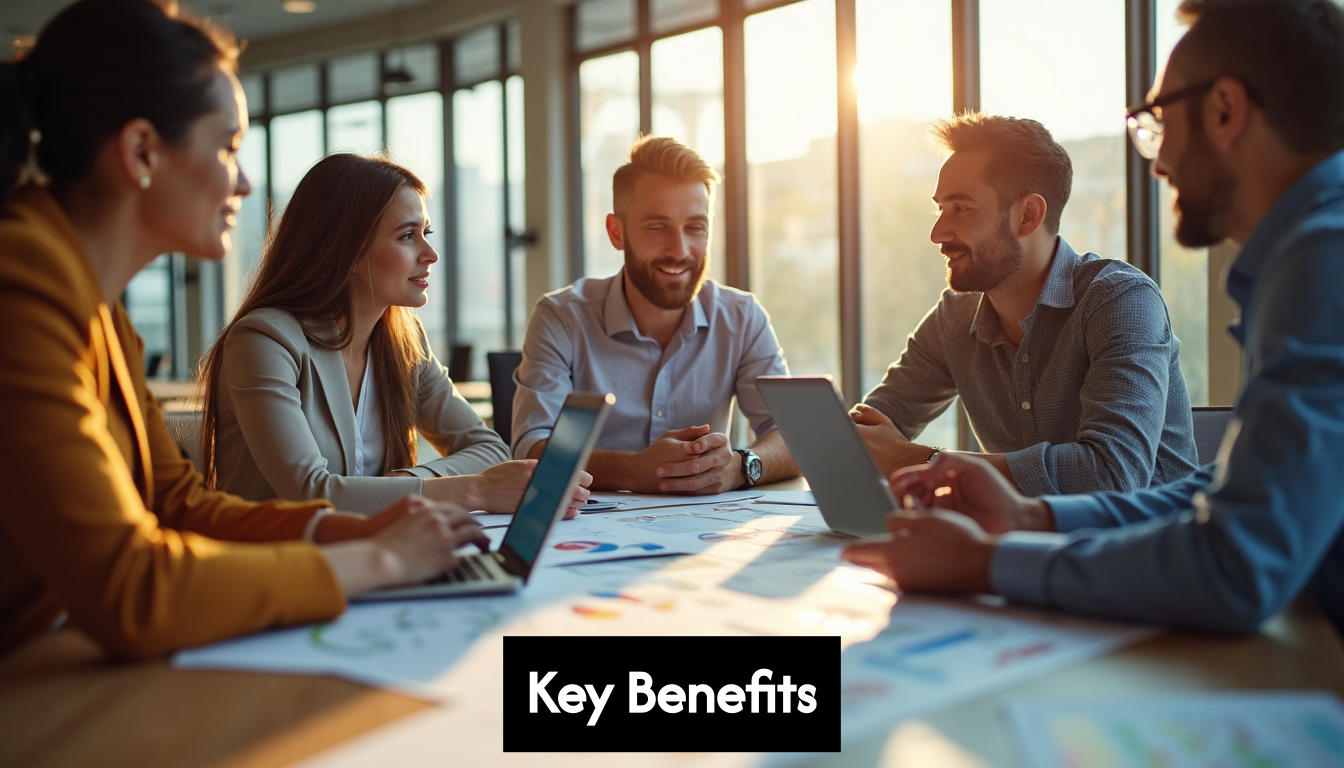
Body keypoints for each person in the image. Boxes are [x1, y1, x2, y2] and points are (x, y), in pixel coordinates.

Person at [0, 0, 488, 659]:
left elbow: (178, 506)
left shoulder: (98, 306)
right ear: (143, 151)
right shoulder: (22, 283)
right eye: (228, 147)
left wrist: (346, 532)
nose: (244, 181)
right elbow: (131, 591)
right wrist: (382, 561)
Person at [842, 0, 1344, 636]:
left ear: (1225, 110)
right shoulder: (1306, 256)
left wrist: (987, 561)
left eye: (1158, 123)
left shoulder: (1323, 260)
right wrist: (1030, 522)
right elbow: (1224, 494)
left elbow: (1235, 566)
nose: (1156, 163)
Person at [199, 153, 590, 517]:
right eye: (407, 236)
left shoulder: (404, 341)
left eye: (426, 232)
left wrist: (406, 484)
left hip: (373, 558)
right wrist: (477, 491)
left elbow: (488, 448)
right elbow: (308, 494)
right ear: (347, 251)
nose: (430, 254)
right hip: (277, 571)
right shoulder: (264, 340)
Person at [853, 114, 1198, 496]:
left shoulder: (1120, 301)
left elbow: (1111, 473)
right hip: (1026, 546)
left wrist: (920, 462)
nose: (938, 234)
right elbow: (868, 434)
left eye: (962, 209)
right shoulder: (954, 317)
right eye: (940, 209)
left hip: (1143, 547)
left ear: (1029, 215)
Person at [513, 136, 800, 493]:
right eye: (657, 226)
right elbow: (532, 448)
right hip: (589, 536)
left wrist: (742, 466)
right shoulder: (561, 318)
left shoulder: (742, 318)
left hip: (705, 536)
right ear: (617, 232)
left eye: (695, 228)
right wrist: (631, 471)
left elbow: (795, 438)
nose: (679, 250)